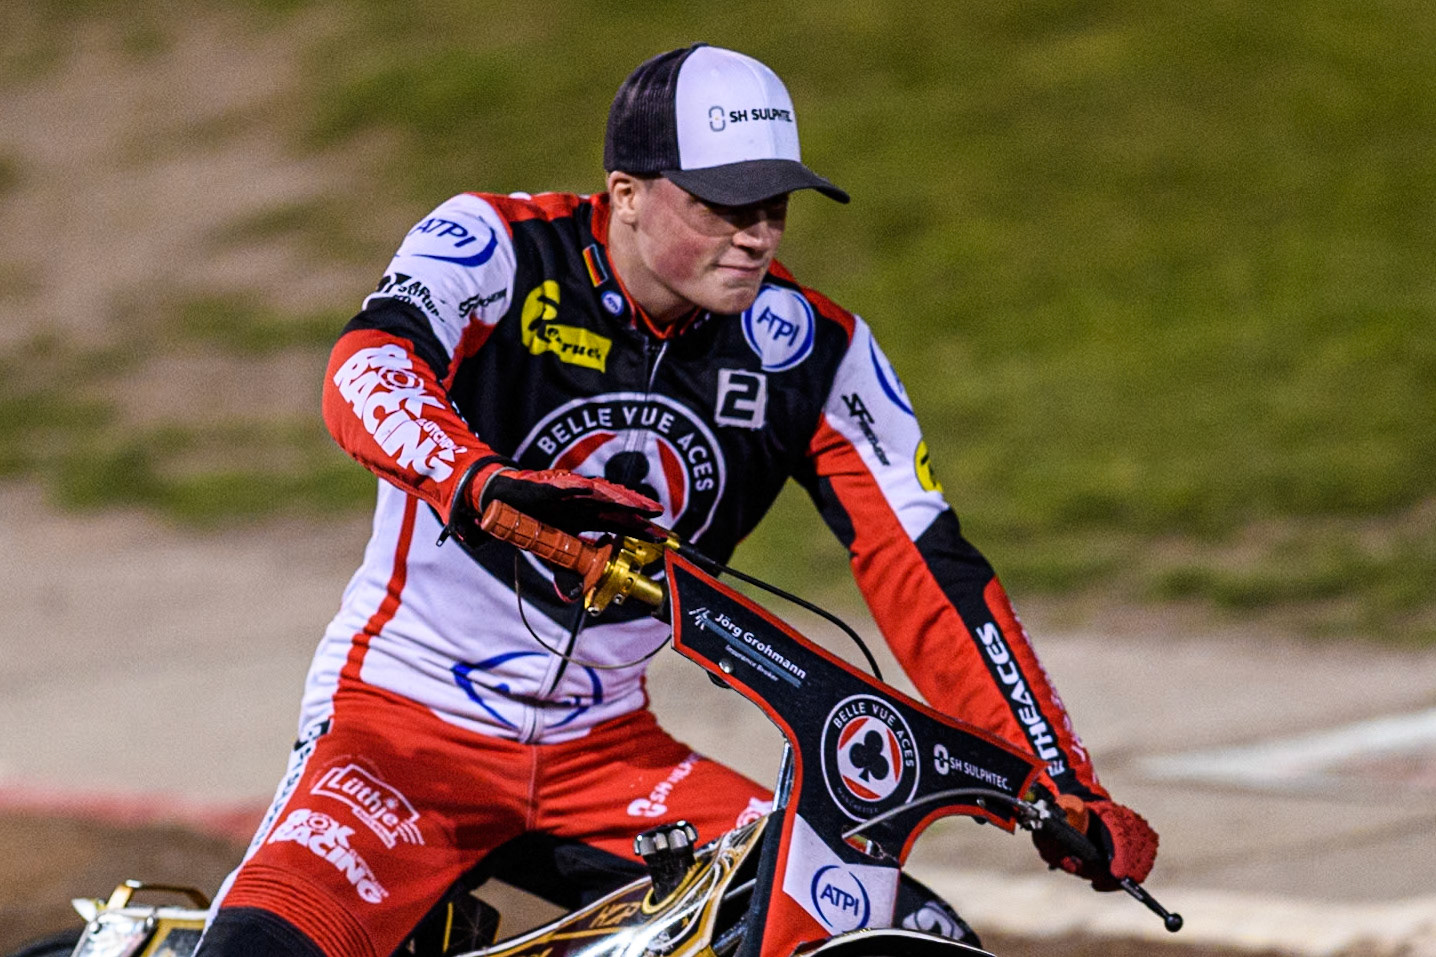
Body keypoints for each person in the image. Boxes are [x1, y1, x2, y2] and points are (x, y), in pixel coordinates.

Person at [197, 43, 1158, 957]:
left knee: (899, 933)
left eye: (774, 203)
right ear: (625, 193)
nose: (757, 234)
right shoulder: (495, 244)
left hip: (606, 753)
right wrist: (474, 477)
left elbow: (927, 567)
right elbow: (367, 366)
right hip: (402, 731)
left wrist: (1059, 780)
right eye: (722, 204)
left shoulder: (813, 349)